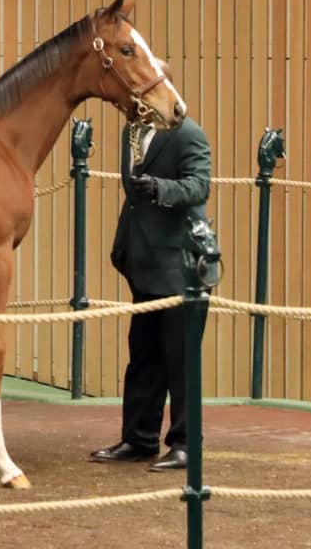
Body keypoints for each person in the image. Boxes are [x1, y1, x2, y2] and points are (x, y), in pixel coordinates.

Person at [90, 114, 212, 471]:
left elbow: (200, 186)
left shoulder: (189, 133)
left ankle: (186, 446)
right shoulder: (131, 132)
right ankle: (139, 439)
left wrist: (161, 188)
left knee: (181, 362)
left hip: (181, 268)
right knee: (142, 357)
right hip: (144, 265)